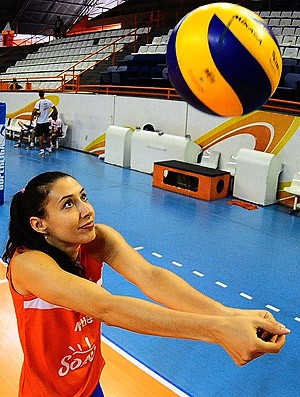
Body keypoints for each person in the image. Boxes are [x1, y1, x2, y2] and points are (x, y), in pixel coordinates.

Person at [3, 172, 290, 397]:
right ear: (40, 225)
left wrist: (230, 315)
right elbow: (108, 307)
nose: (86, 210)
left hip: (89, 384)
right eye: (68, 205)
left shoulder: (96, 239)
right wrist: (218, 331)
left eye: (83, 197)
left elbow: (151, 277)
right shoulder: (29, 265)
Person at [30, 90, 57, 157]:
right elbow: (55, 110)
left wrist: (31, 120)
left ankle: (42, 150)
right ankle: (49, 148)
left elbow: (34, 112)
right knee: (47, 135)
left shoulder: (38, 103)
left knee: (40, 136)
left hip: (40, 122)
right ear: (44, 94)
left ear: (39, 95)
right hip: (46, 122)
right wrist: (50, 116)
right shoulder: (49, 101)